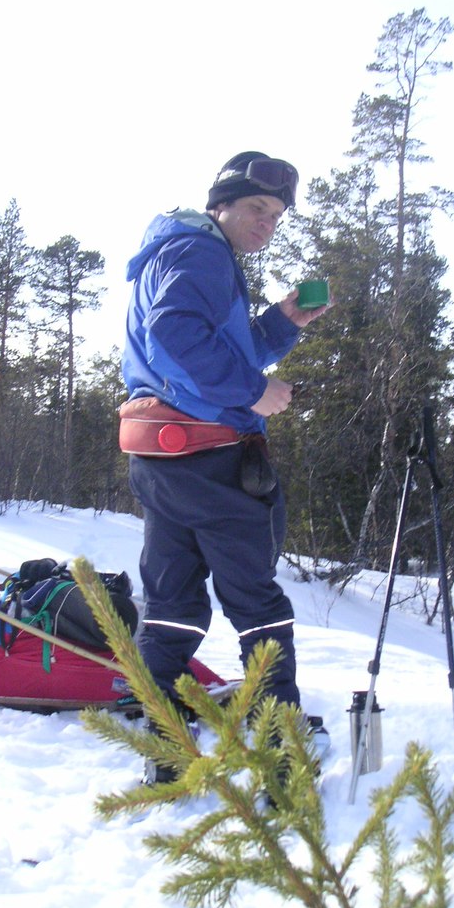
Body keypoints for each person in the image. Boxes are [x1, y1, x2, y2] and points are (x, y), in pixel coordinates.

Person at [121, 151, 327, 782]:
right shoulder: (204, 252)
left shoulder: (180, 249)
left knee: (172, 604)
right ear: (222, 205)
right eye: (257, 208)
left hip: (163, 460)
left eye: (277, 215)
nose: (267, 223)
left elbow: (206, 344)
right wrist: (252, 390)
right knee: (256, 603)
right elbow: (175, 336)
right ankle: (281, 759)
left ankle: (167, 750)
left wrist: (281, 323)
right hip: (213, 460)